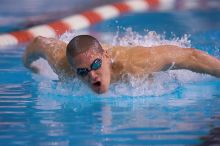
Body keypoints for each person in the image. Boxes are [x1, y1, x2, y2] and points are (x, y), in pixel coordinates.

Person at [23, 35, 220, 94]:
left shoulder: (135, 63)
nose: (92, 75)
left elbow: (191, 56)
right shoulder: (63, 66)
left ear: (106, 57)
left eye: (96, 64)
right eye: (82, 71)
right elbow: (39, 43)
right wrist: (28, 64)